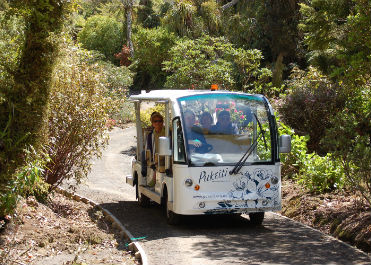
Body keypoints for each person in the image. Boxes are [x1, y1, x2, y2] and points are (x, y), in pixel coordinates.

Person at [145, 112, 165, 186]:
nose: (158, 123)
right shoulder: (150, 135)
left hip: (167, 156)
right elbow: (149, 149)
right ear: (152, 123)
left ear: (163, 122)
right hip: (156, 157)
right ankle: (154, 180)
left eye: (160, 121)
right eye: (155, 121)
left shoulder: (168, 132)